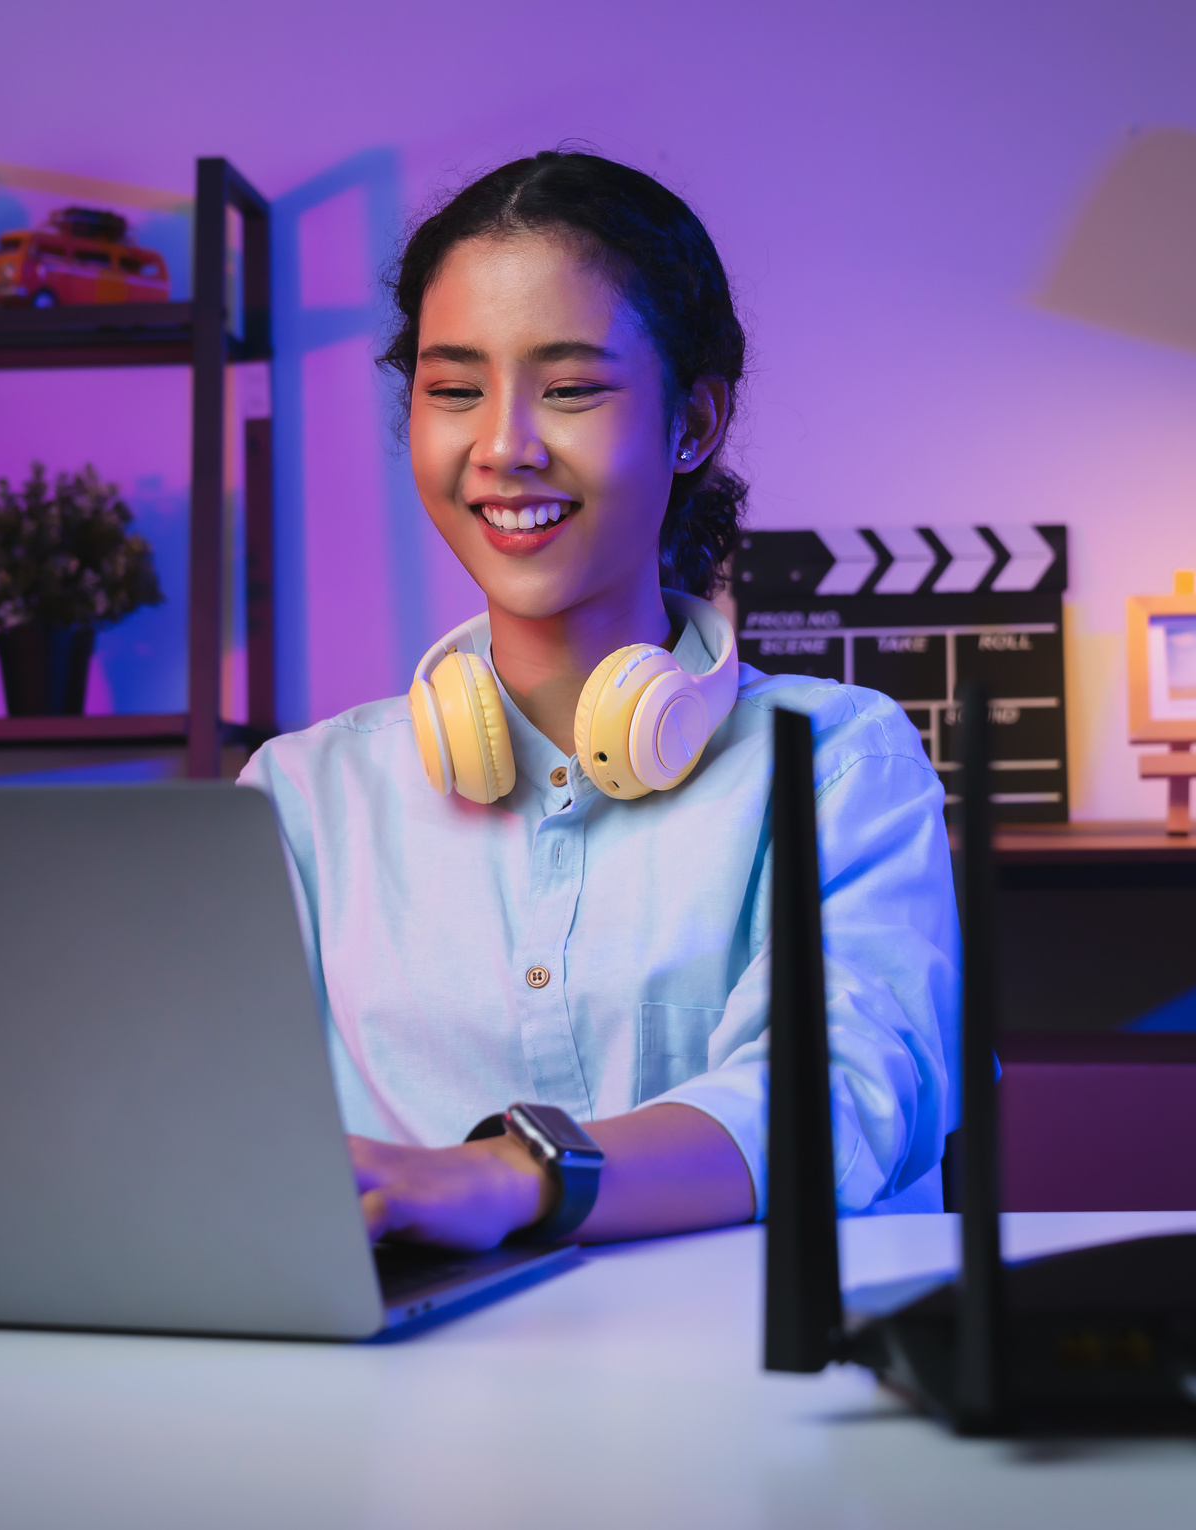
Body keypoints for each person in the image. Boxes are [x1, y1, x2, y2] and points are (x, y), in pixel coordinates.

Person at [238, 150, 958, 1251]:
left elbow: (840, 1100)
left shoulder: (839, 762)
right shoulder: (300, 797)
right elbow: (215, 1137)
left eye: (570, 387)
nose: (503, 447)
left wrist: (508, 1178)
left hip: (755, 1389)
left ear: (693, 422)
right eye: (452, 389)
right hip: (396, 1404)